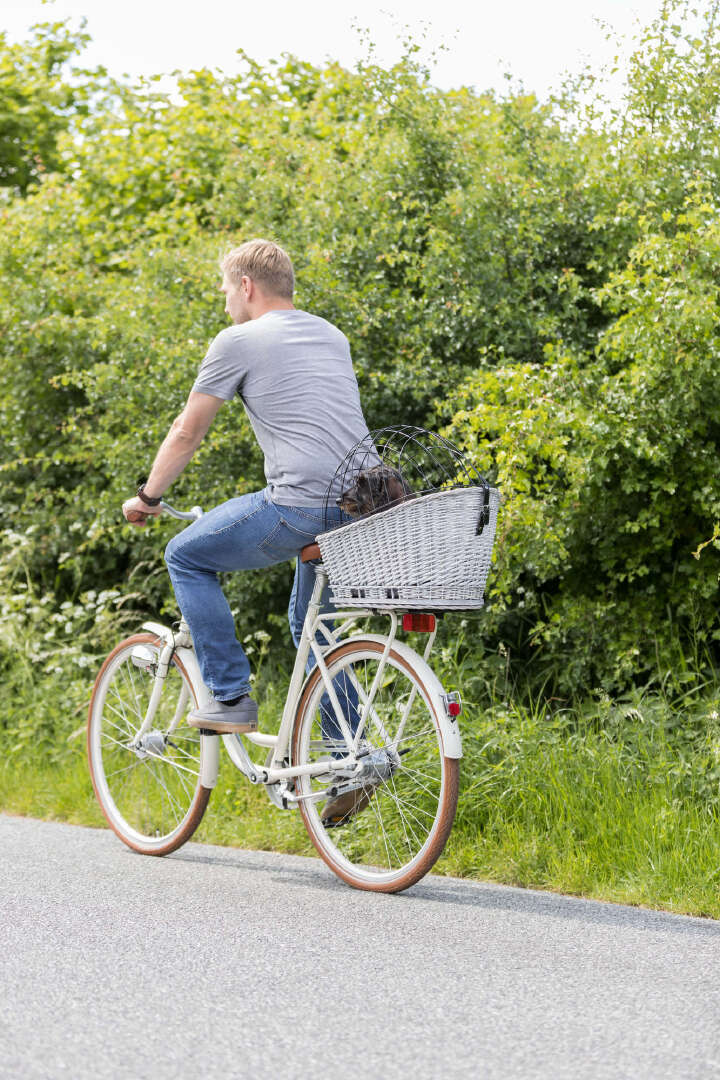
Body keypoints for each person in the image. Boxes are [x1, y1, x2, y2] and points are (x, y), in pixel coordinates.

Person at [121, 239, 370, 747]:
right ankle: (347, 754)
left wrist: (147, 497)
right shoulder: (332, 335)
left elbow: (187, 432)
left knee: (185, 556)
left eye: (225, 290)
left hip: (299, 506)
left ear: (247, 286)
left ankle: (230, 696)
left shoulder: (238, 340)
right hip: (363, 507)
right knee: (310, 628)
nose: (225, 301)